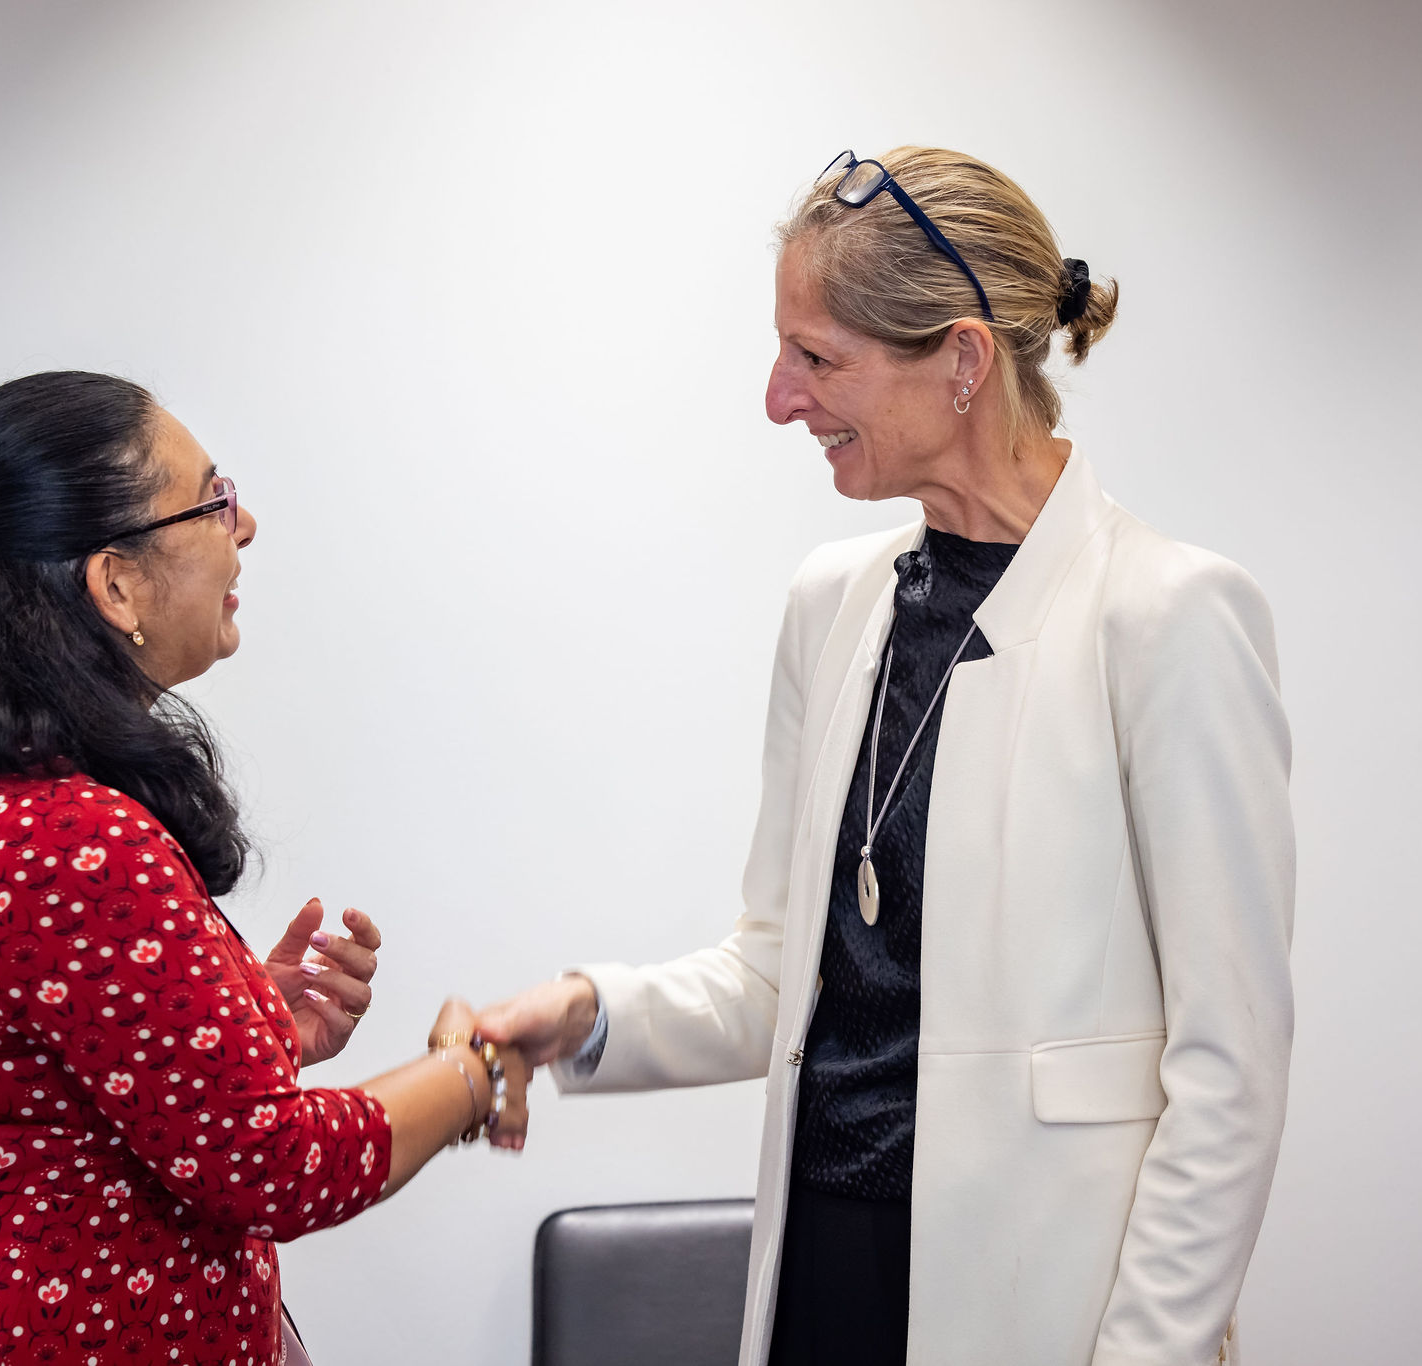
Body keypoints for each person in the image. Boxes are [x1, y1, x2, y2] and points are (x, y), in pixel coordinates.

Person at [478, 146, 1293, 1366]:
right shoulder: (833, 604)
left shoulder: (1166, 618)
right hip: (821, 1267)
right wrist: (590, 1014)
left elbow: (1229, 1070)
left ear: (961, 361)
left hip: (1043, 1307)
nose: (778, 399)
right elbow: (781, 972)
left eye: (816, 358)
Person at [0, 372, 529, 1366]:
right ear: (115, 584)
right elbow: (274, 1168)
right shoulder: (73, 838)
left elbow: (32, 1095)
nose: (246, 527)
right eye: (212, 498)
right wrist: (473, 1072)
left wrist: (245, 1021)